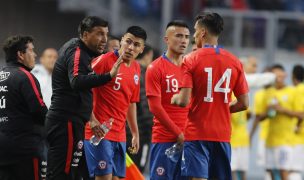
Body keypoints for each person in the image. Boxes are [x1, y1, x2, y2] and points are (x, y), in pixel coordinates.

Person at [171, 13, 249, 180]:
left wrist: (174, 98)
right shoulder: (235, 61)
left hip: (197, 133)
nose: (193, 35)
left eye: (195, 31)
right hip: (222, 134)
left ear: (203, 32)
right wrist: (221, 108)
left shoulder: (190, 59)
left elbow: (183, 100)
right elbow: (244, 103)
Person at [46, 16, 122, 180]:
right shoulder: (77, 51)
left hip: (73, 122)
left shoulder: (84, 52)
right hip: (65, 122)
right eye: (99, 34)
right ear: (86, 35)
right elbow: (77, 81)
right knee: (62, 174)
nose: (104, 39)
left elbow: (82, 91)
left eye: (106, 34)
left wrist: (90, 118)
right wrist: (108, 76)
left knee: (74, 173)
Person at [83, 26, 147, 180]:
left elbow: (131, 102)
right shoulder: (104, 61)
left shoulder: (137, 68)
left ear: (142, 49)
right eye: (128, 42)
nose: (131, 47)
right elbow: (82, 89)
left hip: (120, 134)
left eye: (136, 45)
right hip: (99, 133)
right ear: (121, 41)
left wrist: (135, 133)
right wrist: (92, 120)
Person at [145, 20, 190, 179]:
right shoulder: (155, 68)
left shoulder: (191, 67)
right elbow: (155, 107)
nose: (183, 40)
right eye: (178, 36)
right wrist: (178, 132)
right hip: (165, 139)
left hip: (190, 139)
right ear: (167, 39)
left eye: (186, 36)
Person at [0, 35, 48, 180]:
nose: (35, 55)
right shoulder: (25, 76)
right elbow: (39, 111)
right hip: (25, 149)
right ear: (20, 55)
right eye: (31, 50)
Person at [127, 45, 154, 173]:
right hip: (140, 133)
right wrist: (151, 129)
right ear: (148, 55)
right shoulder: (143, 74)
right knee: (137, 170)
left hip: (124, 131)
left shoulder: (127, 69)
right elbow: (144, 105)